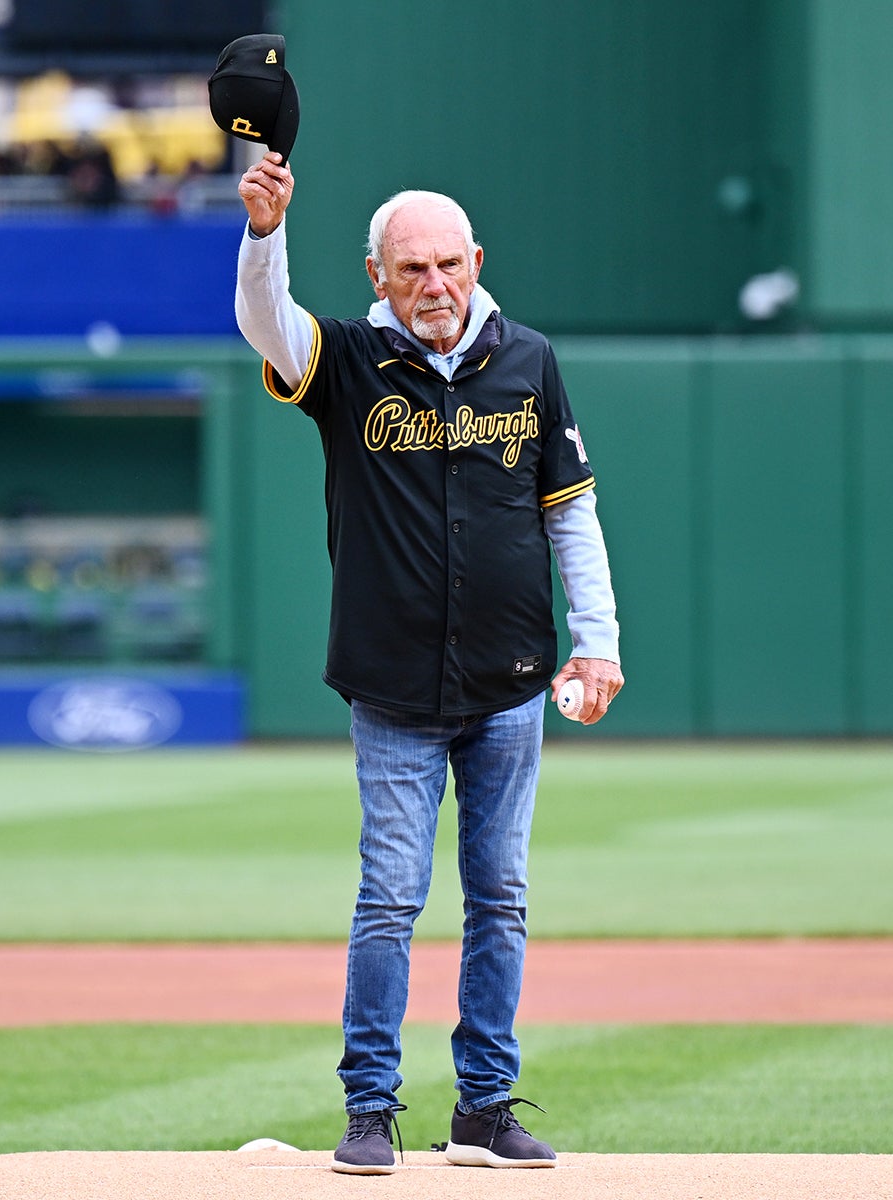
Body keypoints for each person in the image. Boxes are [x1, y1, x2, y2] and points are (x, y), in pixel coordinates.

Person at [235, 152, 624, 1175]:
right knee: (389, 901)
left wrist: (599, 640)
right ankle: (370, 1108)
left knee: (501, 896)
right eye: (412, 269)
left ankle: (485, 1108)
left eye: (450, 264)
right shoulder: (353, 361)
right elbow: (268, 326)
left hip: (508, 683)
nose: (435, 285)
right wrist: (265, 233)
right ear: (377, 276)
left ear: (477, 261)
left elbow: (571, 515)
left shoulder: (528, 361)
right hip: (395, 686)